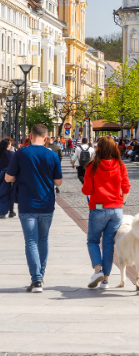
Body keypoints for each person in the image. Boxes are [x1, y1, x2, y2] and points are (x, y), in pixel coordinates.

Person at [4, 124, 63, 293]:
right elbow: (58, 181)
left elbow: (8, 178)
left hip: (27, 203)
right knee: (43, 240)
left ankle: (36, 280)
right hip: (46, 203)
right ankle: (40, 276)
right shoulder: (52, 155)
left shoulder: (21, 153)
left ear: (30, 136)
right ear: (46, 138)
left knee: (31, 241)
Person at [83, 137, 130, 289]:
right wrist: (121, 202)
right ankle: (106, 280)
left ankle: (98, 270)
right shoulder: (120, 165)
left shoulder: (93, 166)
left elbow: (87, 189)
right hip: (116, 210)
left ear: (98, 149)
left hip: (98, 208)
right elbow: (126, 187)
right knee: (109, 243)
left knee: (93, 241)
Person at [0, 139, 16, 218]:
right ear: (8, 145)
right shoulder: (12, 154)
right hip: (7, 176)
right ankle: (11, 211)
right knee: (9, 192)